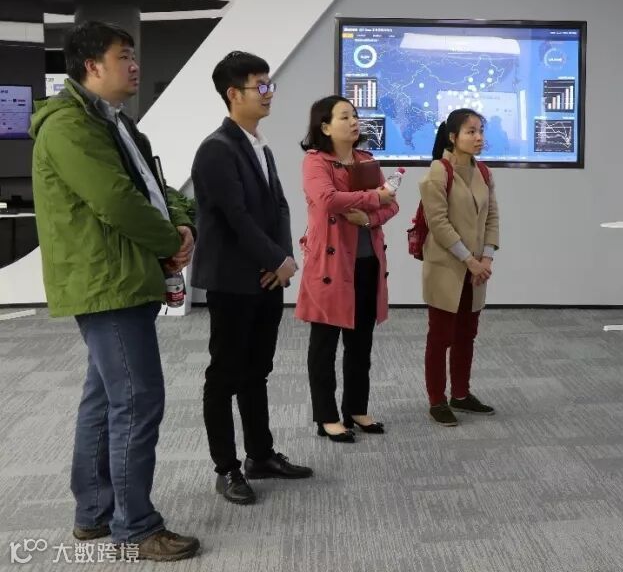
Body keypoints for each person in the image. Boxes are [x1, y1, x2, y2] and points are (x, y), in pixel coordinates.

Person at [29, 21, 200, 560]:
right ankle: (136, 527)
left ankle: (95, 513)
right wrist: (169, 242)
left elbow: (152, 185)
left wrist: (181, 221)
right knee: (137, 400)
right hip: (108, 282)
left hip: (123, 275)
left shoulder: (114, 122)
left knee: (105, 397)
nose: (134, 65)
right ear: (91, 66)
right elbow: (116, 201)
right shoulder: (69, 125)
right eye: (123, 55)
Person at [190, 51, 312, 505]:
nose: (268, 93)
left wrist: (282, 259)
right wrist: (275, 260)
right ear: (233, 93)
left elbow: (278, 206)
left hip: (266, 277)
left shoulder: (260, 144)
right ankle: (227, 468)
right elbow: (235, 217)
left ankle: (260, 454)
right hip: (233, 280)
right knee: (225, 374)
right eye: (259, 86)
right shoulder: (216, 149)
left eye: (269, 85)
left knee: (257, 369)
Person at [295, 96, 400, 442]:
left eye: (355, 115)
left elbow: (392, 205)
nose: (354, 121)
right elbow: (328, 200)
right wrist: (374, 199)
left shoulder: (366, 161)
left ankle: (356, 408)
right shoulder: (316, 162)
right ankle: (326, 416)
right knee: (324, 345)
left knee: (360, 344)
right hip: (330, 265)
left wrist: (369, 218)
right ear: (325, 127)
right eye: (345, 117)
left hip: (368, 262)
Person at [419, 108, 500, 426]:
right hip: (447, 267)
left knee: (467, 333)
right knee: (441, 336)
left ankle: (461, 394)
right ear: (453, 137)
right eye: (471, 131)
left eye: (481, 131)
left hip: (477, 268)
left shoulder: (484, 172)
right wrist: (470, 260)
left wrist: (487, 258)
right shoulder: (437, 172)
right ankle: (437, 400)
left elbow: (492, 217)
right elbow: (438, 224)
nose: (479, 137)